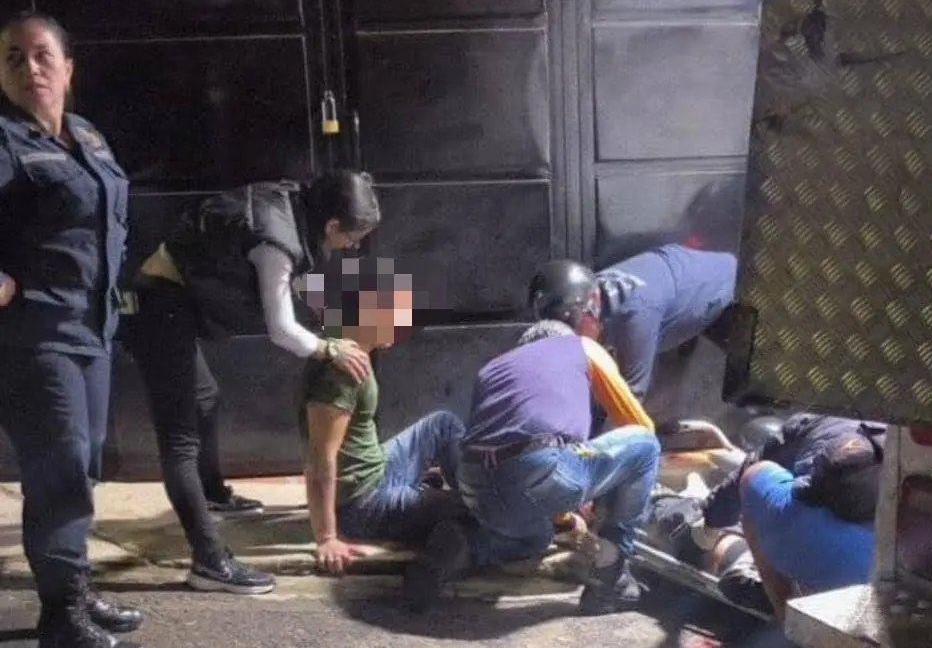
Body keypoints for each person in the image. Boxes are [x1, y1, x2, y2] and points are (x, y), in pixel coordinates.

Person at [126, 169, 380, 596]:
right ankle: (209, 561)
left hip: (171, 299)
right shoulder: (276, 242)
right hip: (159, 305)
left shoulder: (294, 207)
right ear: (333, 225)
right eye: (353, 237)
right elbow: (281, 328)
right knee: (180, 440)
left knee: (206, 399)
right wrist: (328, 349)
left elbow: (294, 284)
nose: (352, 245)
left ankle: (212, 494)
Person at [0, 11, 146, 648]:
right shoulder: (4, 141)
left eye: (41, 56)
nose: (29, 68)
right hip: (35, 337)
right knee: (59, 470)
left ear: (68, 68)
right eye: (12, 58)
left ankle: (72, 594)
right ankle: (63, 627)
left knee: (82, 467)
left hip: (92, 331)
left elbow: (110, 219)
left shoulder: (87, 135)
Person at [406, 319, 660, 615]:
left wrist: (564, 514)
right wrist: (614, 489)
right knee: (645, 446)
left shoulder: (492, 368)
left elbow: (492, 442)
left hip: (474, 480)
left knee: (536, 537)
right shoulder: (581, 346)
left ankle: (464, 543)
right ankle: (610, 578)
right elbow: (638, 424)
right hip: (538, 468)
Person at [298, 265, 472, 579]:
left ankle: (474, 491)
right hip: (363, 505)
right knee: (470, 510)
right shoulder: (340, 373)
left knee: (442, 425)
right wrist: (327, 537)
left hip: (377, 470)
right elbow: (320, 457)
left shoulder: (349, 347)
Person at [701, 413, 884, 620]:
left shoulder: (813, 422)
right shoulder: (897, 430)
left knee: (755, 474)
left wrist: (710, 522)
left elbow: (741, 480)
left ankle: (784, 611)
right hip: (886, 570)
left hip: (825, 557)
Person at [527, 243, 739, 409]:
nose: (568, 338)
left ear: (594, 303)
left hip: (725, 291)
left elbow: (628, 403)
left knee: (744, 381)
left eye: (573, 329)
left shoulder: (633, 318)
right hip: (671, 277)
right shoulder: (586, 289)